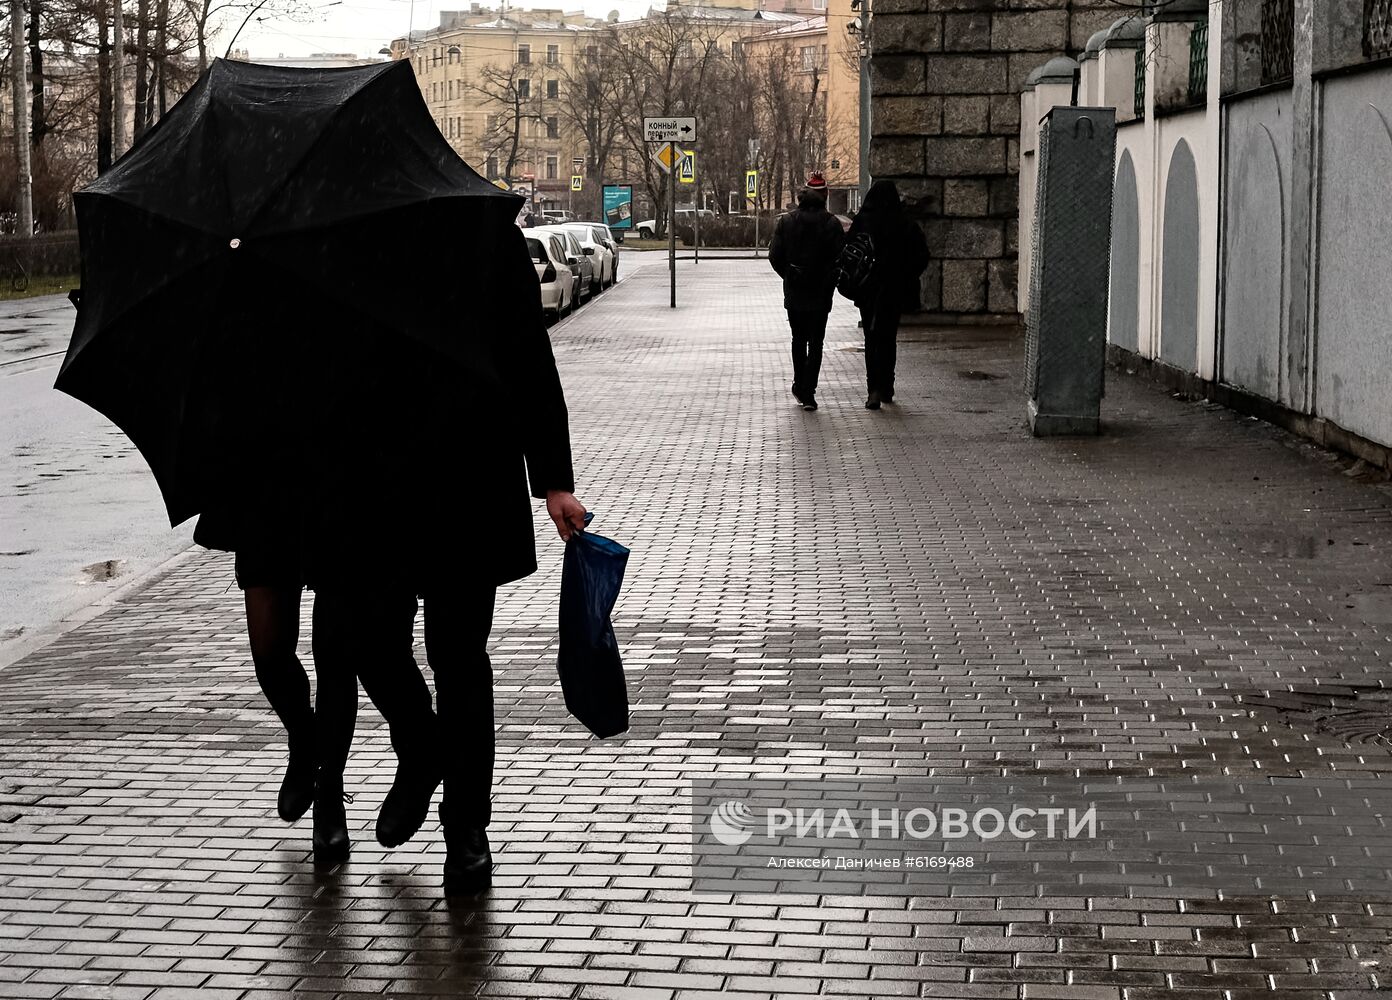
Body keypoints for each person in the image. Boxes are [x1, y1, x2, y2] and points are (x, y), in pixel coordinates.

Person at [307, 223, 585, 897]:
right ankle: (422, 747)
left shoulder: (484, 233)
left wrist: (553, 479)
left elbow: (528, 359)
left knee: (459, 661)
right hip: (373, 486)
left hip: (468, 482)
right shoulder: (340, 234)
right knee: (371, 643)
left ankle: (467, 832)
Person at [193, 494, 357, 867]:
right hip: (264, 487)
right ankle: (303, 740)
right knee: (268, 652)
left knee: (335, 656)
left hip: (338, 480)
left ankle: (329, 790)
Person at [848, 180, 929, 410]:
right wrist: (906, 274)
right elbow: (922, 256)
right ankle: (887, 386)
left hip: (867, 289)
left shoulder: (863, 221)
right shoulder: (903, 223)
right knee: (888, 337)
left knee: (871, 339)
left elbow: (849, 251)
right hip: (894, 289)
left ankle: (872, 389)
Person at [769, 171, 845, 412]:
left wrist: (789, 275)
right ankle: (809, 390)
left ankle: (799, 383)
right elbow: (839, 258)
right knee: (817, 341)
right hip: (821, 292)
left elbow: (775, 256)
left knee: (798, 339)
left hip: (795, 290)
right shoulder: (832, 223)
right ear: (825, 195)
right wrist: (829, 280)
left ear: (802, 196)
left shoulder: (787, 221)